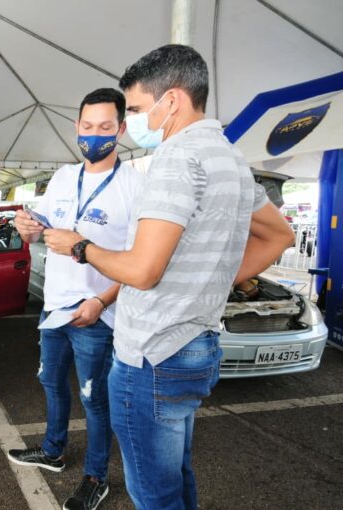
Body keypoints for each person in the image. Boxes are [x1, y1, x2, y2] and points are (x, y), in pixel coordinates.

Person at [46, 45, 295, 509]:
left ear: (173, 100)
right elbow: (278, 235)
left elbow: (142, 271)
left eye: (137, 109)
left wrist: (80, 246)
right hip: (195, 345)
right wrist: (212, 285)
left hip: (153, 354)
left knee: (154, 494)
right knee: (176, 477)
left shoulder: (176, 159)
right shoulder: (227, 156)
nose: (136, 121)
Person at [7, 88, 144, 510]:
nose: (94, 135)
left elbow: (141, 264)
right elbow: (43, 229)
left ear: (121, 129)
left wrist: (101, 301)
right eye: (87, 127)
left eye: (105, 127)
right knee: (51, 383)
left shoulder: (134, 186)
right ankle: (53, 450)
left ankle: (96, 477)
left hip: (96, 313)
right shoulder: (65, 177)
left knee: (94, 399)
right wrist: (26, 227)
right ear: (76, 127)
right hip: (55, 307)